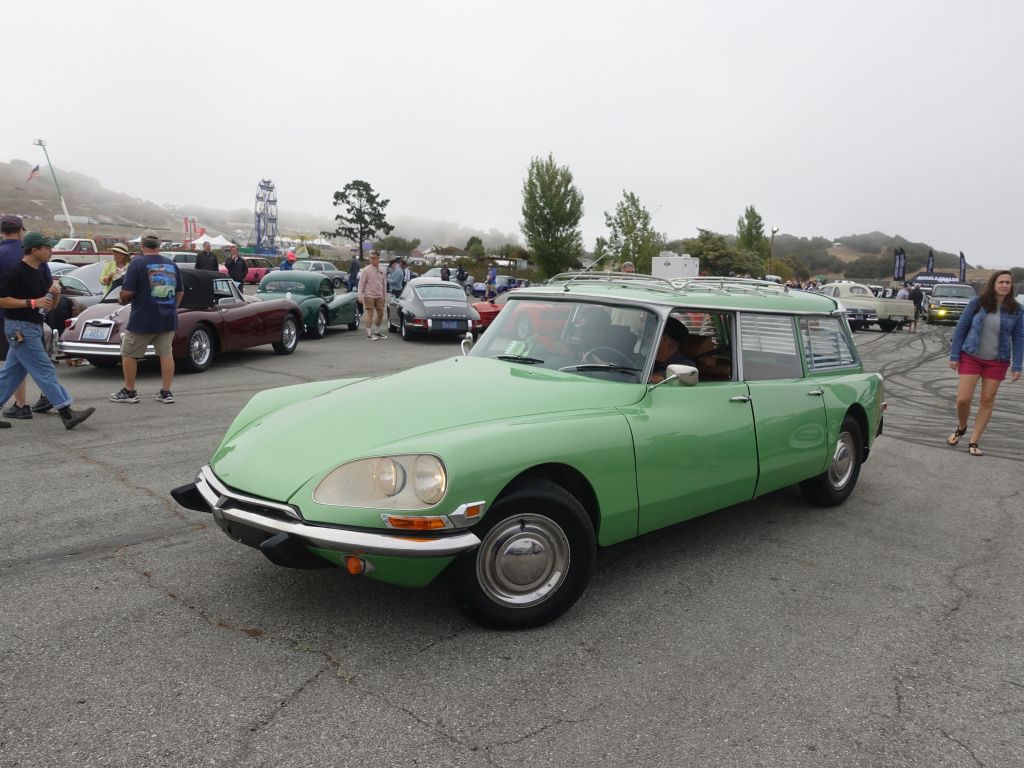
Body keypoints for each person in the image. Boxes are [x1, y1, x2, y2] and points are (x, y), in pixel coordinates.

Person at [0, 232, 95, 430]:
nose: (51, 251)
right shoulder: (17, 272)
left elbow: (48, 306)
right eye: (47, 247)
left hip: (31, 326)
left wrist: (55, 294)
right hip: (20, 327)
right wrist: (31, 302)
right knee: (44, 369)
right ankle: (66, 412)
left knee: (11, 374)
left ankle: (66, 411)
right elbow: (2, 299)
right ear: (34, 250)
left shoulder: (41, 272)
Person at [946, 270, 1023, 456]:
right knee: (963, 399)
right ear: (993, 284)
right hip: (971, 356)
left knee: (987, 400)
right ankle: (962, 427)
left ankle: (974, 440)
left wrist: (1017, 365)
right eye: (1001, 282)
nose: (1004, 285)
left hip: (997, 361)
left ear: (1011, 286)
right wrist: (954, 355)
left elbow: (1019, 338)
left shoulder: (1017, 309)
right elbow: (961, 329)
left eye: (1008, 282)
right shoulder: (977, 303)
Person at [109, 232, 184, 405]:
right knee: (166, 353)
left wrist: (122, 297)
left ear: (142, 245)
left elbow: (127, 292)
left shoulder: (137, 263)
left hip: (143, 317)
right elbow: (180, 291)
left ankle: (129, 391)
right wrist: (173, 308)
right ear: (159, 245)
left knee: (128, 353)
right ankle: (166, 392)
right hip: (167, 318)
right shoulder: (171, 264)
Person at [1, 215, 61, 419]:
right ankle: (63, 406)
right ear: (20, 231)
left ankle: (21, 404)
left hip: (10, 318)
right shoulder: (33, 261)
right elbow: (46, 292)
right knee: (40, 365)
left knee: (13, 367)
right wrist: (37, 302)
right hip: (26, 319)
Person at [649, 317, 696, 384]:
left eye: (649, 335)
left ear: (665, 339)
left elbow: (658, 379)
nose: (645, 339)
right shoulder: (649, 359)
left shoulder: (686, 364)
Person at [357, 249, 387, 340]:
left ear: (378, 258)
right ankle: (369, 333)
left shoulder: (383, 269)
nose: (371, 260)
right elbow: (361, 283)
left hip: (379, 295)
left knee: (381, 313)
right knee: (370, 313)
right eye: (370, 258)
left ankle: (377, 331)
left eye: (373, 258)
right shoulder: (366, 270)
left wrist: (384, 296)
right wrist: (360, 295)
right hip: (368, 294)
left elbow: (384, 284)